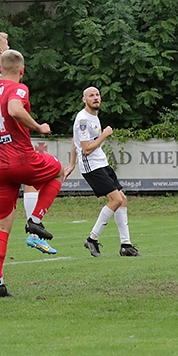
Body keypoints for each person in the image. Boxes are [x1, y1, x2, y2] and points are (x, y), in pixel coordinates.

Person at [0, 50, 64, 297]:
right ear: (21, 71)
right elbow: (14, 109)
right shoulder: (18, 89)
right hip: (21, 158)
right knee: (58, 171)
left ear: (0, 70)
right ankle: (36, 219)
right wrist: (37, 126)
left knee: (2, 225)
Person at [0, 32, 54, 255]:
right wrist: (35, 126)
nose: (9, 46)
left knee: (5, 186)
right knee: (27, 180)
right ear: (1, 50)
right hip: (8, 137)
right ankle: (34, 233)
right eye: (6, 44)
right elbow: (7, 103)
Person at [64, 87, 140, 257]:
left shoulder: (93, 117)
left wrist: (71, 164)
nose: (96, 98)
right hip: (91, 165)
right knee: (116, 199)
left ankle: (126, 244)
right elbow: (86, 149)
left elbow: (74, 139)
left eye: (97, 95)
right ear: (84, 99)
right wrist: (104, 134)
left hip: (101, 162)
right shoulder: (83, 119)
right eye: (91, 96)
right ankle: (92, 239)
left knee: (123, 200)